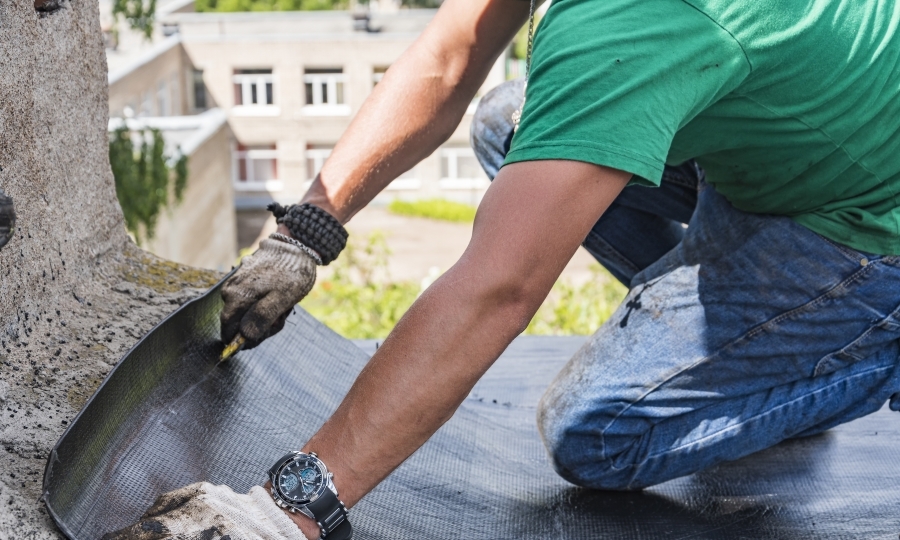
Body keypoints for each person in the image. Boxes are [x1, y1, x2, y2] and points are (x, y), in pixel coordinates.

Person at [107, 0, 900, 537]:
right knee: (511, 122)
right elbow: (448, 59)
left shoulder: (635, 26)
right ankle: (750, 329)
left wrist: (293, 509)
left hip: (864, 225)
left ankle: (842, 344)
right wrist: (307, 232)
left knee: (598, 434)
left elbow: (500, 289)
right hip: (807, 136)